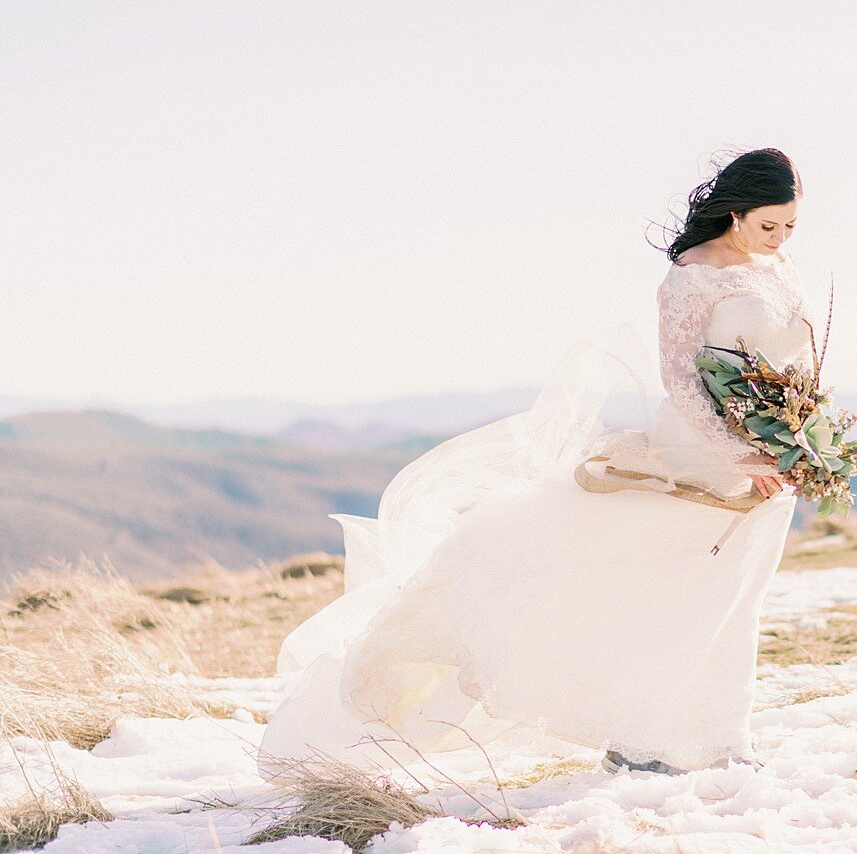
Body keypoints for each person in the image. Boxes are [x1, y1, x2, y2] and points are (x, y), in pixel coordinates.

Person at [255, 147, 815, 778]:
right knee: (678, 590)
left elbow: (788, 356)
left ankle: (720, 736)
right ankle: (649, 736)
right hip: (699, 449)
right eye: (769, 226)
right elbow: (682, 378)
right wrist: (737, 447)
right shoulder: (690, 276)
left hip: (770, 452)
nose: (780, 239)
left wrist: (798, 434)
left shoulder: (777, 265)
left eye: (791, 227)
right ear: (734, 214)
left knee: (739, 594)